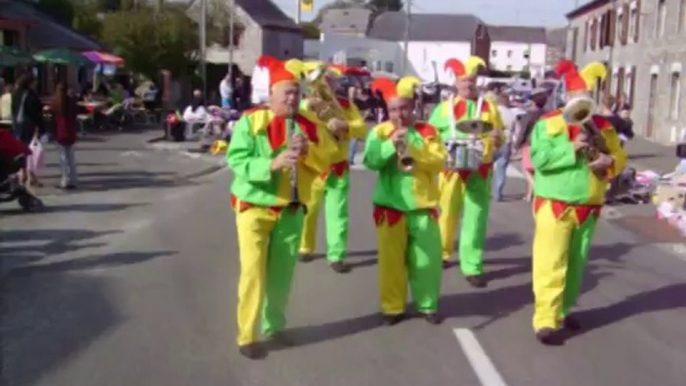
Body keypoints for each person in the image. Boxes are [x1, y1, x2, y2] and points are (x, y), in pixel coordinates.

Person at [226, 58, 340, 360]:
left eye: (296, 93)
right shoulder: (250, 121)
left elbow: (325, 161)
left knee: (281, 275)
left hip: (291, 209)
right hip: (255, 208)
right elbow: (236, 160)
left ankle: (274, 325)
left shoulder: (307, 124)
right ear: (272, 94)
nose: (292, 98)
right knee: (253, 273)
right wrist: (272, 164)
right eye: (286, 92)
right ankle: (247, 335)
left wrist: (308, 152)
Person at [529, 61, 627, 345]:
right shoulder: (548, 123)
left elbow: (620, 157)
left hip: (589, 205)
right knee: (551, 262)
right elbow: (539, 160)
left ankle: (563, 310)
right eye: (577, 96)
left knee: (576, 264)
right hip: (556, 204)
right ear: (567, 97)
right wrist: (570, 147)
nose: (581, 102)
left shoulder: (605, 126)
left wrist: (611, 162)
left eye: (587, 97)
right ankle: (545, 319)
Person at [363, 76, 446, 326]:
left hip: (423, 208)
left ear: (413, 108)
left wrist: (413, 148)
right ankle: (392, 307)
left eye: (404, 108)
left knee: (427, 262)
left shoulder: (428, 131)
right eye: (393, 109)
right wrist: (390, 145)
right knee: (391, 263)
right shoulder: (379, 131)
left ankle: (427, 304)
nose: (399, 114)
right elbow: (370, 161)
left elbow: (439, 160)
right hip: (391, 208)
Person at [428, 56, 504, 287]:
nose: (468, 85)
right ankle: (442, 253)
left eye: (471, 80)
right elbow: (430, 135)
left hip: (480, 168)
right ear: (455, 82)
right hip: (451, 169)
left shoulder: (489, 107)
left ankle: (471, 265)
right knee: (446, 212)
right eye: (463, 80)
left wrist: (497, 138)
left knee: (476, 217)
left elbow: (500, 135)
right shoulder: (443, 108)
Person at [298, 65, 368, 273]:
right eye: (323, 80)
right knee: (308, 210)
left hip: (337, 167)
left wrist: (345, 126)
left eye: (330, 80)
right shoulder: (304, 105)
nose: (326, 84)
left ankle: (336, 255)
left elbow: (362, 128)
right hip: (312, 166)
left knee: (338, 213)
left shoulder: (346, 105)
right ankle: (305, 247)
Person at [514, 89, 549, 202]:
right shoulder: (548, 114)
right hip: (543, 144)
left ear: (533, 102)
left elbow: (524, 130)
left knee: (527, 170)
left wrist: (517, 145)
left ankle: (537, 189)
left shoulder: (530, 115)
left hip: (530, 144)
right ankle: (529, 195)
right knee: (536, 170)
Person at [11, 72, 44, 187]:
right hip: (29, 125)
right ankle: (30, 175)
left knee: (21, 150)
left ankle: (22, 173)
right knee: (30, 150)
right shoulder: (31, 95)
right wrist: (39, 127)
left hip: (17, 124)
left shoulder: (16, 93)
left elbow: (13, 109)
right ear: (30, 82)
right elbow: (36, 113)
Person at [50, 83, 79, 189]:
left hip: (60, 131)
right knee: (71, 157)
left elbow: (52, 118)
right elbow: (75, 115)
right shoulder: (71, 102)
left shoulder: (55, 102)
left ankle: (64, 180)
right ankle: (74, 179)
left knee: (62, 157)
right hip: (70, 130)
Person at [492, 91, 517, 201]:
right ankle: (498, 193)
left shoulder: (494, 111)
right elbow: (516, 129)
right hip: (507, 141)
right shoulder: (511, 113)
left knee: (487, 167)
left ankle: (485, 189)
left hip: (495, 139)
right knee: (501, 169)